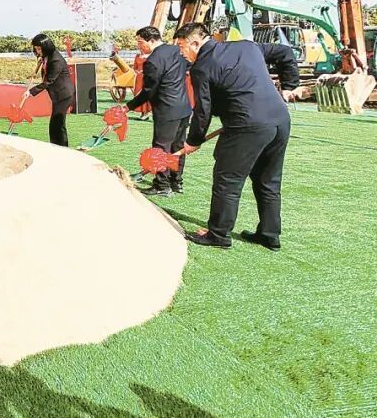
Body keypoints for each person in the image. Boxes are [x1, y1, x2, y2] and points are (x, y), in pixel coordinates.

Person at [174, 22, 303, 250]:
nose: (181, 53)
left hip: (246, 125)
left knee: (227, 179)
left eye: (182, 47)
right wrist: (289, 85)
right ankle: (269, 234)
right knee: (268, 180)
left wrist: (193, 141)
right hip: (280, 120)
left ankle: (218, 234)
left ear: (195, 43)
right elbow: (285, 52)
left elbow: (203, 110)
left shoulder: (201, 67)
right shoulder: (247, 46)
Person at [127, 26, 193, 197]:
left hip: (166, 110)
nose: (139, 46)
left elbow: (149, 91)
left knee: (161, 148)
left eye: (140, 42)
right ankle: (176, 182)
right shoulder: (177, 50)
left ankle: (162, 185)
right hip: (183, 108)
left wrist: (129, 106)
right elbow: (189, 65)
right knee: (178, 146)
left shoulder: (153, 61)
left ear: (151, 40)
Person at [20, 33, 75, 146]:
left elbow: (49, 81)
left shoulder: (56, 60)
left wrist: (31, 92)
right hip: (58, 94)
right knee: (55, 123)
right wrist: (40, 61)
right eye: (36, 48)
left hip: (64, 94)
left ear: (46, 47)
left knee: (58, 123)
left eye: (39, 49)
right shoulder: (47, 56)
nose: (38, 51)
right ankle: (55, 145)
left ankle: (62, 148)